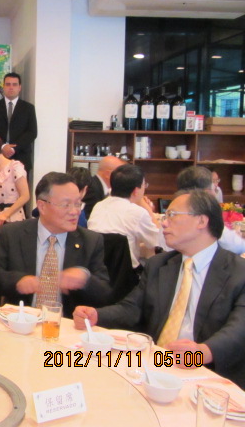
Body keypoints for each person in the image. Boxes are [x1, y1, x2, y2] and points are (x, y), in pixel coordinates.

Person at [74, 190, 245, 388]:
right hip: (154, 366)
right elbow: (133, 307)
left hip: (206, 375)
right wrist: (96, 315)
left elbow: (239, 328)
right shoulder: (160, 265)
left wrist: (202, 351)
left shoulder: (238, 272)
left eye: (172, 215)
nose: (163, 223)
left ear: (201, 221)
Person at [0, 172, 112, 313]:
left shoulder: (90, 241)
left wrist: (86, 279)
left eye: (77, 204)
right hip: (22, 322)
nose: (75, 212)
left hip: (67, 325)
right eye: (66, 205)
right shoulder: (13, 234)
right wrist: (17, 281)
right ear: (42, 206)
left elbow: (105, 295)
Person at [88, 164, 161, 270]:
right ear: (136, 190)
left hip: (97, 270)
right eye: (144, 185)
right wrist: (146, 207)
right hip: (126, 274)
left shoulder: (99, 206)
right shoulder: (138, 212)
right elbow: (158, 241)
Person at [176, 166, 245, 255]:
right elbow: (238, 246)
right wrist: (237, 237)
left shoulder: (171, 214)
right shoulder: (203, 216)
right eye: (214, 189)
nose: (214, 193)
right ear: (206, 192)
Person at [0, 73, 37, 177]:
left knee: (21, 192)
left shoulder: (28, 108)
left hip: (21, 158)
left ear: (19, 87)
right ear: (3, 86)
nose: (11, 87)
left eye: (14, 84)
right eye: (8, 84)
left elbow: (32, 132)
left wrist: (13, 148)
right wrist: (3, 146)